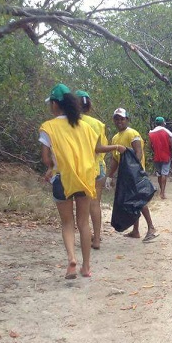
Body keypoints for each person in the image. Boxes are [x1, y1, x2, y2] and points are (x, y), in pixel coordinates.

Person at [40, 84, 125, 279]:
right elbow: (96, 149)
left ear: (55, 104)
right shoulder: (87, 127)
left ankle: (71, 260)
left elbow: (46, 158)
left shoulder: (48, 127)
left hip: (62, 179)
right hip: (85, 179)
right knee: (83, 223)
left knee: (67, 223)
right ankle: (86, 267)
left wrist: (51, 167)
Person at [107, 108, 159, 242]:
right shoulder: (115, 138)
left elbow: (138, 152)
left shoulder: (132, 133)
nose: (119, 121)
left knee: (138, 201)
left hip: (135, 175)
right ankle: (135, 231)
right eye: (116, 119)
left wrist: (134, 171)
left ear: (127, 120)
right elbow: (115, 159)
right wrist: (110, 175)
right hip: (125, 176)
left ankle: (151, 228)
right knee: (131, 202)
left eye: (122, 119)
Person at [75, 90, 109, 250]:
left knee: (80, 204)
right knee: (95, 203)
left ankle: (84, 235)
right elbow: (100, 148)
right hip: (96, 168)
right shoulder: (97, 124)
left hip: (78, 170)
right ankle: (96, 239)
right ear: (89, 105)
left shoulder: (70, 122)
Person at [148, 117, 172, 199]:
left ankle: (160, 190)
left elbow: (149, 146)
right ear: (163, 123)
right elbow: (171, 145)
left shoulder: (151, 133)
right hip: (166, 156)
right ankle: (162, 192)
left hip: (156, 156)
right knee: (164, 174)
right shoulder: (166, 132)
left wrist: (154, 151)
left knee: (159, 173)